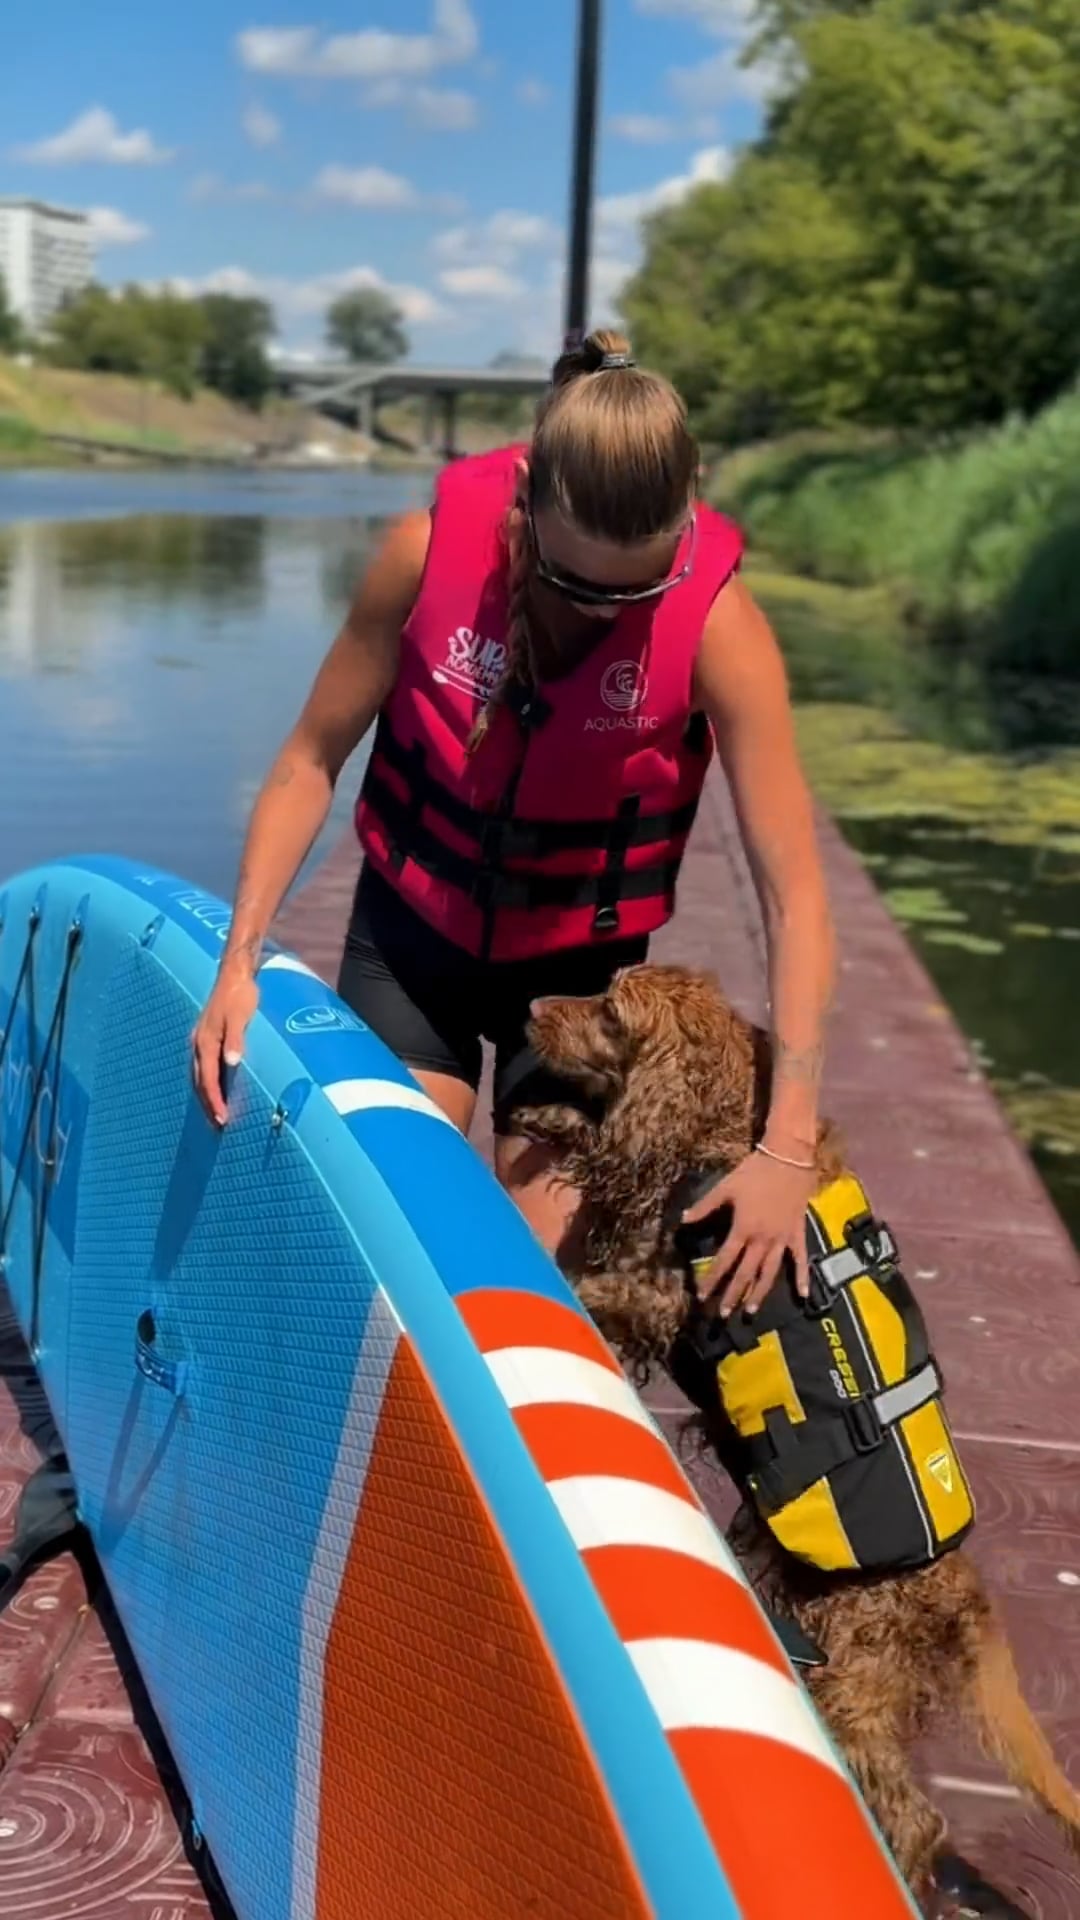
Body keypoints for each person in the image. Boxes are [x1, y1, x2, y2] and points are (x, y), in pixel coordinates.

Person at [192, 329, 836, 1314]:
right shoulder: (422, 555)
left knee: (525, 1295)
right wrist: (236, 963)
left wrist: (787, 1145)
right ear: (526, 494)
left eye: (636, 591)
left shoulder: (721, 625)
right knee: (395, 1243)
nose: (603, 613)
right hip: (415, 944)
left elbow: (795, 900)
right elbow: (308, 761)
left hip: (583, 975)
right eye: (576, 584)